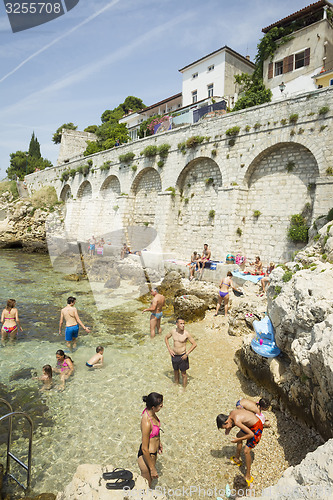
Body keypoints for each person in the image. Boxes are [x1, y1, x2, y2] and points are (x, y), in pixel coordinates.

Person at [216, 409, 264, 487]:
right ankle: (237, 458)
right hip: (251, 425)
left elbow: (251, 434)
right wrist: (229, 428)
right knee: (238, 435)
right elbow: (233, 422)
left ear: (226, 422)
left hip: (257, 427)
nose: (226, 429)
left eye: (225, 427)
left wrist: (238, 440)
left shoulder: (237, 421)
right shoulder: (231, 414)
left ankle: (248, 475)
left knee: (246, 451)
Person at [138, 392, 163, 487]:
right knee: (146, 487)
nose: (162, 407)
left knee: (150, 483)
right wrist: (152, 469)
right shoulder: (147, 422)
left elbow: (153, 433)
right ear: (153, 407)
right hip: (147, 457)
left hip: (152, 454)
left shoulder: (151, 413)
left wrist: (158, 442)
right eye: (160, 406)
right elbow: (144, 448)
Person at [165, 317, 197, 388]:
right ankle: (176, 384)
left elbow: (194, 344)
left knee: (183, 374)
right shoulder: (173, 331)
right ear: (177, 324)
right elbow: (166, 338)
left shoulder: (186, 333)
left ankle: (184, 388)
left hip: (183, 356)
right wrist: (169, 349)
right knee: (175, 371)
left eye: (183, 324)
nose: (183, 325)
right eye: (181, 324)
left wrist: (187, 353)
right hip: (174, 355)